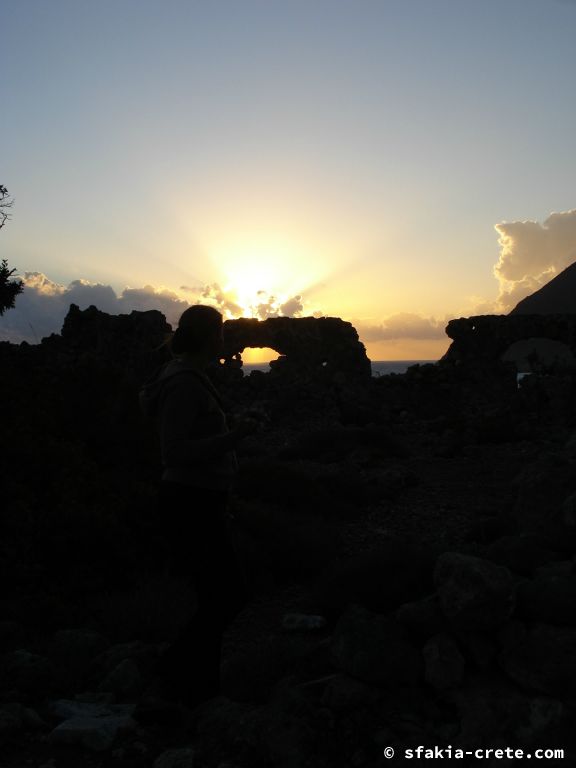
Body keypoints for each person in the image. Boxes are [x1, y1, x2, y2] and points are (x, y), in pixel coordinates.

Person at [139, 304, 259, 710]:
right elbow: (173, 452)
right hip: (190, 502)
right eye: (221, 333)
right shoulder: (185, 383)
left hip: (197, 500)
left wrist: (229, 427)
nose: (226, 340)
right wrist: (234, 437)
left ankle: (199, 689)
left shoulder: (187, 377)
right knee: (229, 596)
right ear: (210, 337)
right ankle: (173, 671)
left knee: (214, 597)